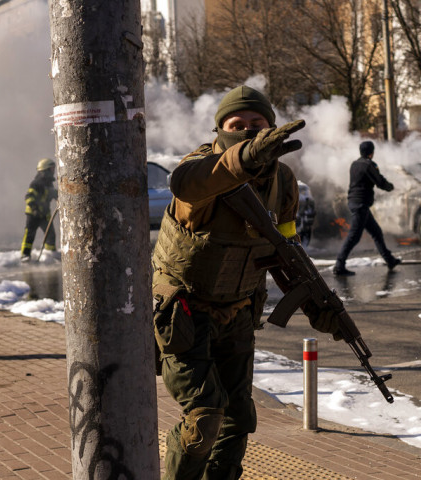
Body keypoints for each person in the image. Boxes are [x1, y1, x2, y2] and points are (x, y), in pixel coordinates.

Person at [152, 85, 341, 480]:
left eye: (258, 124)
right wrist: (243, 158)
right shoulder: (202, 168)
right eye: (237, 125)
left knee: (238, 419)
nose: (249, 131)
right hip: (185, 312)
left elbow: (287, 250)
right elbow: (184, 184)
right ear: (220, 130)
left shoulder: (284, 182)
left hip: (237, 311)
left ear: (273, 128)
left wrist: (317, 305)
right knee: (205, 419)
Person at [333, 141, 401, 276]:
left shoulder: (355, 164)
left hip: (356, 202)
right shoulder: (369, 165)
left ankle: (390, 260)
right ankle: (339, 265)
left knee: (376, 232)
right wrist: (391, 187)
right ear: (371, 152)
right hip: (361, 204)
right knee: (353, 237)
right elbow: (380, 182)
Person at [20, 158, 58, 262]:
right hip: (33, 214)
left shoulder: (48, 184)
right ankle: (25, 255)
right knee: (30, 235)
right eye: (51, 168)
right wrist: (35, 209)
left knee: (50, 234)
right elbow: (29, 197)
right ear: (45, 170)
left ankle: (50, 254)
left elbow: (52, 194)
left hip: (44, 214)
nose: (53, 170)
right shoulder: (36, 183)